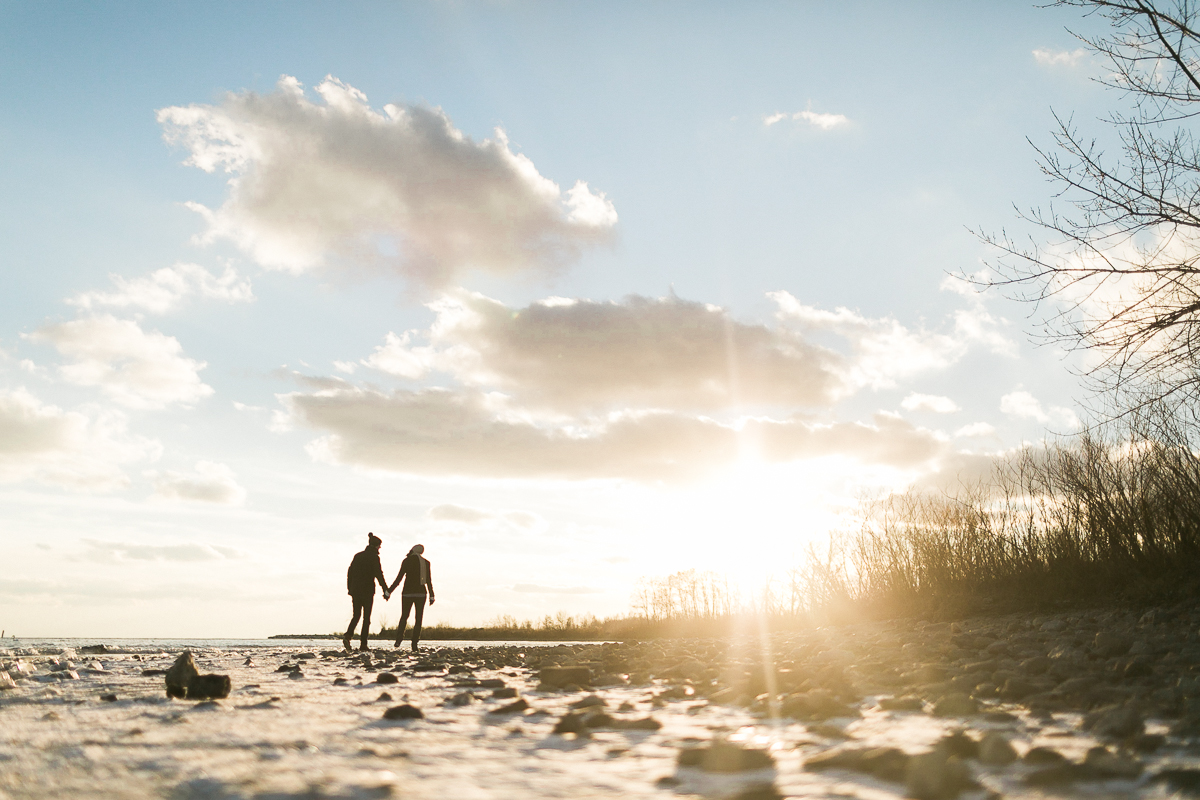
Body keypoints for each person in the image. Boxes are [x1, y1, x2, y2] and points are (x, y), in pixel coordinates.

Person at [343, 533, 390, 651]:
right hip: (368, 590)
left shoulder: (357, 556)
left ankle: (348, 635)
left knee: (356, 615)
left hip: (355, 590)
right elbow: (379, 574)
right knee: (366, 618)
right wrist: (385, 589)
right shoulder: (374, 558)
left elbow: (350, 572)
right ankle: (363, 644)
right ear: (376, 546)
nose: (380, 549)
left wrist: (350, 588)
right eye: (379, 546)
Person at [387, 543, 435, 651]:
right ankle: (414, 644)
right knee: (418, 619)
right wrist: (432, 595)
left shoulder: (406, 561)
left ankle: (399, 639)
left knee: (404, 616)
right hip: (421, 593)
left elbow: (399, 578)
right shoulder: (426, 563)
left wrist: (389, 591)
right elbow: (428, 580)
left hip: (407, 593)